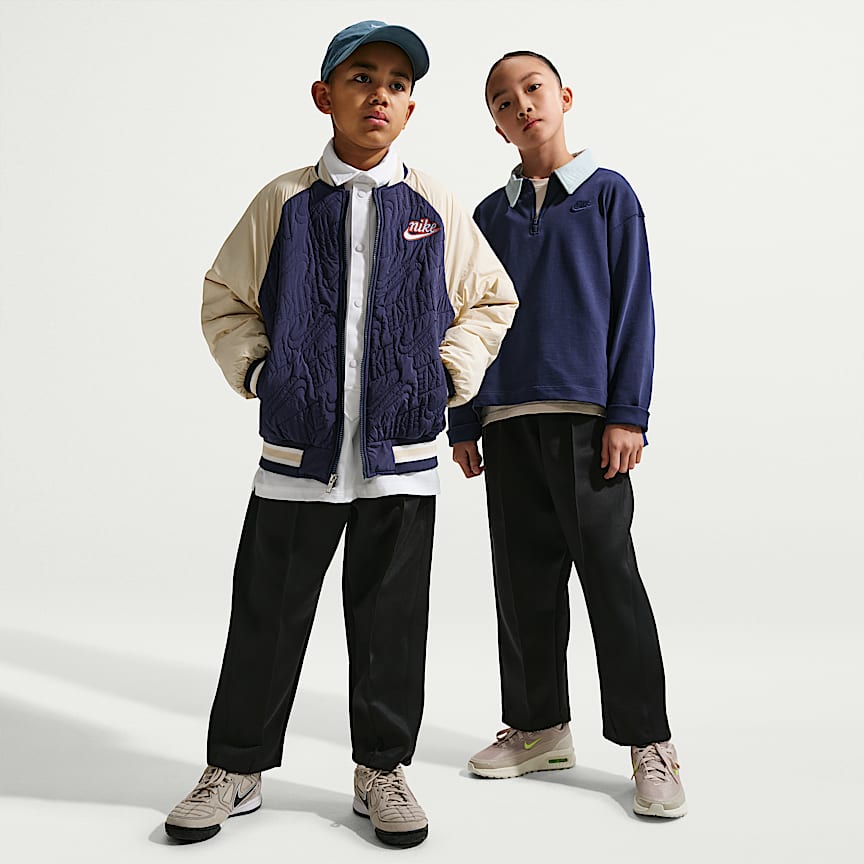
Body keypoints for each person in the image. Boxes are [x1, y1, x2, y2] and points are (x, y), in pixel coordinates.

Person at [164, 21, 517, 848]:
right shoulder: (284, 200)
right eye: (362, 78)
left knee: (391, 623)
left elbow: (491, 300)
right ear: (325, 96)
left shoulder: (433, 205)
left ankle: (381, 769)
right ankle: (236, 769)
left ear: (410, 107)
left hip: (401, 459)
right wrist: (264, 374)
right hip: (298, 456)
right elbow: (224, 297)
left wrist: (445, 376)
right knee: (266, 616)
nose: (379, 95)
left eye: (397, 84)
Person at [448, 50, 686, 818]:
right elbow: (464, 319)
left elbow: (635, 308)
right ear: (496, 125)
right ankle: (539, 728)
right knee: (522, 584)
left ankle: (650, 743)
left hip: (589, 422)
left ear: (564, 97)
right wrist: (464, 417)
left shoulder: (609, 196)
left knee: (611, 580)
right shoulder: (488, 216)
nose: (521, 105)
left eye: (533, 89)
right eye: (503, 100)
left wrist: (628, 414)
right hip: (507, 422)